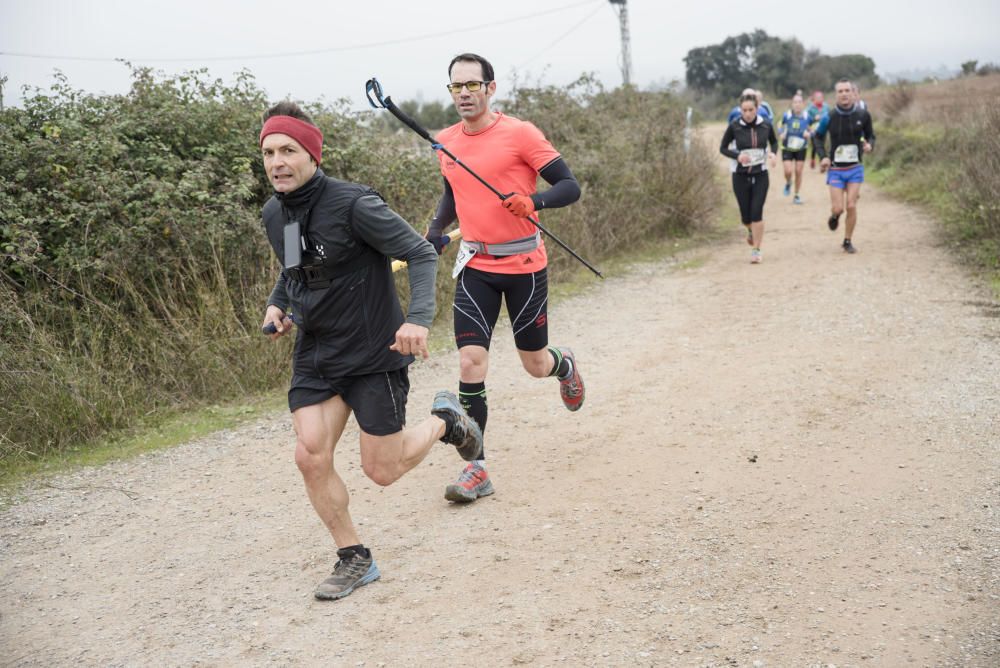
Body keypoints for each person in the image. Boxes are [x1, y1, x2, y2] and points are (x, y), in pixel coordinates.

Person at [258, 101, 484, 601]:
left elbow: (421, 252)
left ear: (313, 155)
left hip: (372, 352)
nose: (278, 162)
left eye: (289, 150)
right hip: (317, 353)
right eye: (269, 151)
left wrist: (417, 320)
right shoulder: (278, 213)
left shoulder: (354, 205)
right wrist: (279, 306)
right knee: (309, 456)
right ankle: (354, 557)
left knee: (382, 470)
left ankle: (447, 421)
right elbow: (295, 270)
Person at [424, 53, 585, 504]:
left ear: (491, 88)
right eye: (456, 86)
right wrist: (436, 231)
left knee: (534, 364)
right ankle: (476, 467)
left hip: (524, 268)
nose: (464, 93)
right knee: (470, 363)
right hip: (476, 266)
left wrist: (534, 202)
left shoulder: (520, 134)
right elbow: (453, 191)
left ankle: (564, 364)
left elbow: (569, 186)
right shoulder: (446, 141)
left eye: (472, 85)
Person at [814, 78, 876, 253]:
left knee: (851, 205)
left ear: (853, 93)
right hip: (836, 170)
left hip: (855, 168)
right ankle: (835, 216)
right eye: (840, 91)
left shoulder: (863, 115)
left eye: (847, 91)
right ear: (836, 95)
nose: (844, 94)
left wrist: (869, 145)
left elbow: (871, 135)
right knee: (839, 208)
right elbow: (817, 137)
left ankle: (847, 241)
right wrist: (823, 157)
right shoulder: (829, 117)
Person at [720, 92, 779, 264]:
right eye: (744, 110)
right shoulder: (734, 126)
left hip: (761, 174)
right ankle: (750, 230)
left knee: (756, 212)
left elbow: (774, 142)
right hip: (740, 175)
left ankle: (756, 249)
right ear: (740, 110)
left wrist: (773, 154)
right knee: (745, 217)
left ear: (757, 109)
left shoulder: (766, 125)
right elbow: (723, 148)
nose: (747, 113)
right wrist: (737, 156)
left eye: (751, 110)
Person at [778, 93, 812, 204]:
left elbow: (813, 129)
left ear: (803, 104)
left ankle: (796, 195)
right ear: (792, 104)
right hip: (787, 146)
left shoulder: (807, 116)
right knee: (788, 171)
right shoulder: (786, 115)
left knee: (798, 171)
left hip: (801, 147)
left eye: (799, 102)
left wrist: (809, 133)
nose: (797, 104)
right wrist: (781, 133)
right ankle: (788, 182)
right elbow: (779, 125)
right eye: (795, 102)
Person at [806, 90, 830, 170]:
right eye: (817, 97)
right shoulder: (810, 108)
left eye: (821, 97)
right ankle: (813, 159)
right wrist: (814, 118)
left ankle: (822, 162)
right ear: (814, 99)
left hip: (823, 129)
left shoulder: (826, 107)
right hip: (813, 130)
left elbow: (830, 116)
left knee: (822, 145)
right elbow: (806, 119)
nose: (819, 99)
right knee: (815, 145)